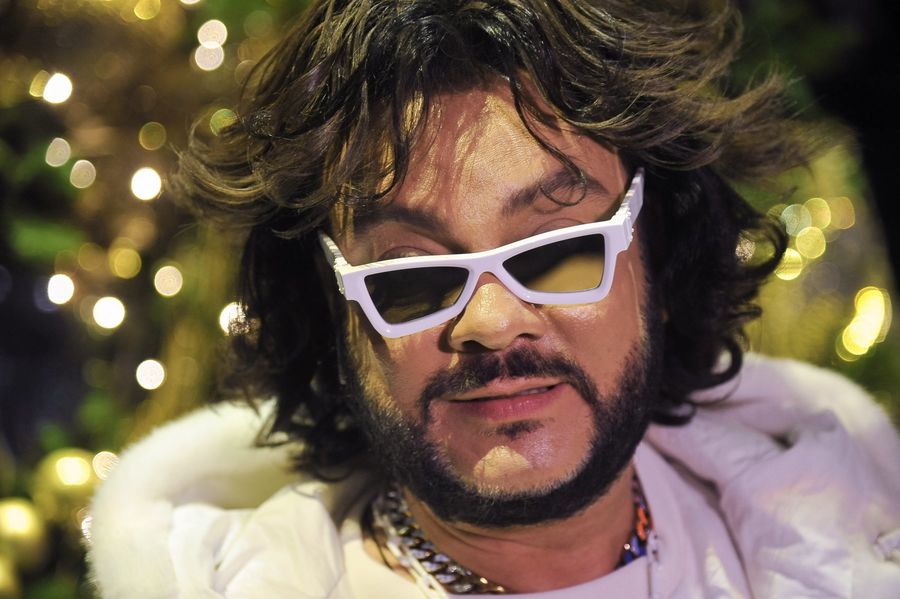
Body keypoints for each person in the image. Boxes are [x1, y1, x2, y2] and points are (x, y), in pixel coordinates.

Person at [87, 1, 900, 597]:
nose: (491, 321)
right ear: (333, 312)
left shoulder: (837, 539)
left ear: (659, 252)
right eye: (409, 275)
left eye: (557, 253)